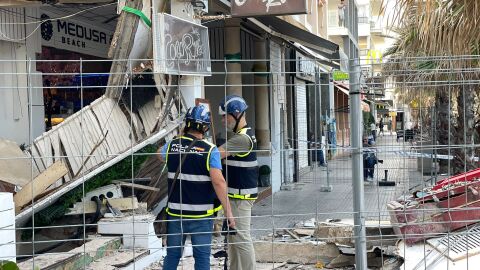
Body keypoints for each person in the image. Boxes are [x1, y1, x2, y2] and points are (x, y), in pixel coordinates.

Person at [158, 105, 235, 270]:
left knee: (172, 255)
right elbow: (219, 182)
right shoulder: (210, 150)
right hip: (201, 217)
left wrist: (180, 138)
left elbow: (159, 154)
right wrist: (229, 213)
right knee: (201, 257)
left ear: (187, 123)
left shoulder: (172, 146)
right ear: (206, 127)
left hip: (175, 215)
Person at [217, 95, 257, 270]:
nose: (223, 120)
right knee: (234, 241)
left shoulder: (242, 139)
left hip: (240, 200)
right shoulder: (242, 135)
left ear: (237, 114)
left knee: (241, 240)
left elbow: (214, 155)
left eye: (226, 116)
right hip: (235, 198)